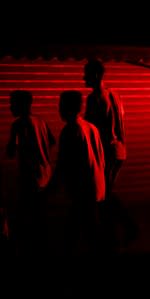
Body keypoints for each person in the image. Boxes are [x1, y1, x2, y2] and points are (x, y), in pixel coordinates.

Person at [83, 59, 137, 252]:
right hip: (119, 149)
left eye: (86, 74)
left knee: (104, 194)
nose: (83, 78)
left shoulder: (94, 98)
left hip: (107, 151)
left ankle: (118, 232)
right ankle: (123, 229)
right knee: (107, 192)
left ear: (96, 75)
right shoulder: (114, 94)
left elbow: (92, 128)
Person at [46, 90, 105, 255]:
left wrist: (51, 188)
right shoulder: (91, 127)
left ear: (66, 107)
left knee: (82, 230)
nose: (59, 109)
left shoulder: (70, 131)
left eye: (60, 105)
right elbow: (100, 158)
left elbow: (63, 163)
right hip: (94, 187)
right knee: (85, 227)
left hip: (82, 189)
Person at [6, 90, 55, 255]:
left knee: (29, 213)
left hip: (31, 178)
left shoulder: (19, 125)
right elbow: (52, 140)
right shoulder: (40, 121)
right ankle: (44, 245)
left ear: (21, 105)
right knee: (41, 213)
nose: (10, 107)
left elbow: (10, 152)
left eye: (12, 103)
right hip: (45, 174)